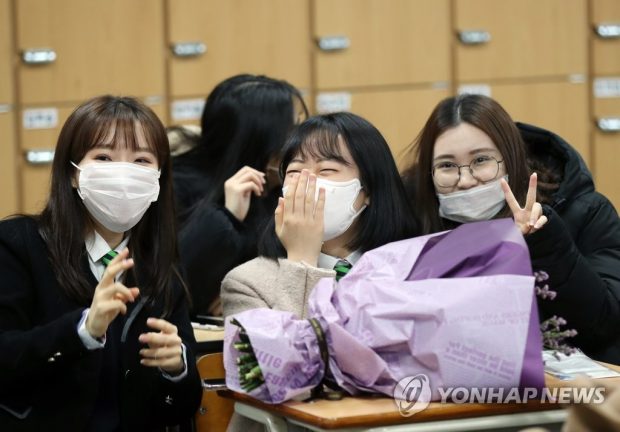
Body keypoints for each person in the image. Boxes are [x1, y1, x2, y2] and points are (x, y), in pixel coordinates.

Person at [0, 95, 202, 430]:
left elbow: (180, 408)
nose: (123, 174)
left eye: (141, 160)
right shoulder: (18, 244)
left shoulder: (158, 262)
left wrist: (177, 368)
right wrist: (83, 331)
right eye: (104, 157)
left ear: (158, 180)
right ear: (73, 173)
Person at [402, 94, 620, 364]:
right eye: (446, 166)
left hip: (566, 395)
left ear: (511, 159)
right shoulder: (411, 221)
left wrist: (542, 241)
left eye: (481, 160)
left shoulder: (583, 211)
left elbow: (605, 326)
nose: (466, 180)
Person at [221, 111, 419, 319]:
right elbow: (292, 350)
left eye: (326, 170)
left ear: (369, 188)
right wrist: (302, 262)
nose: (307, 183)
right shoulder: (247, 283)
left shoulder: (411, 268)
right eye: (294, 172)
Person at [171, 74, 309, 316]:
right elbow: (175, 287)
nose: (302, 138)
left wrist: (243, 295)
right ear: (257, 139)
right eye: (293, 128)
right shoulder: (178, 186)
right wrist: (226, 218)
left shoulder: (281, 183)